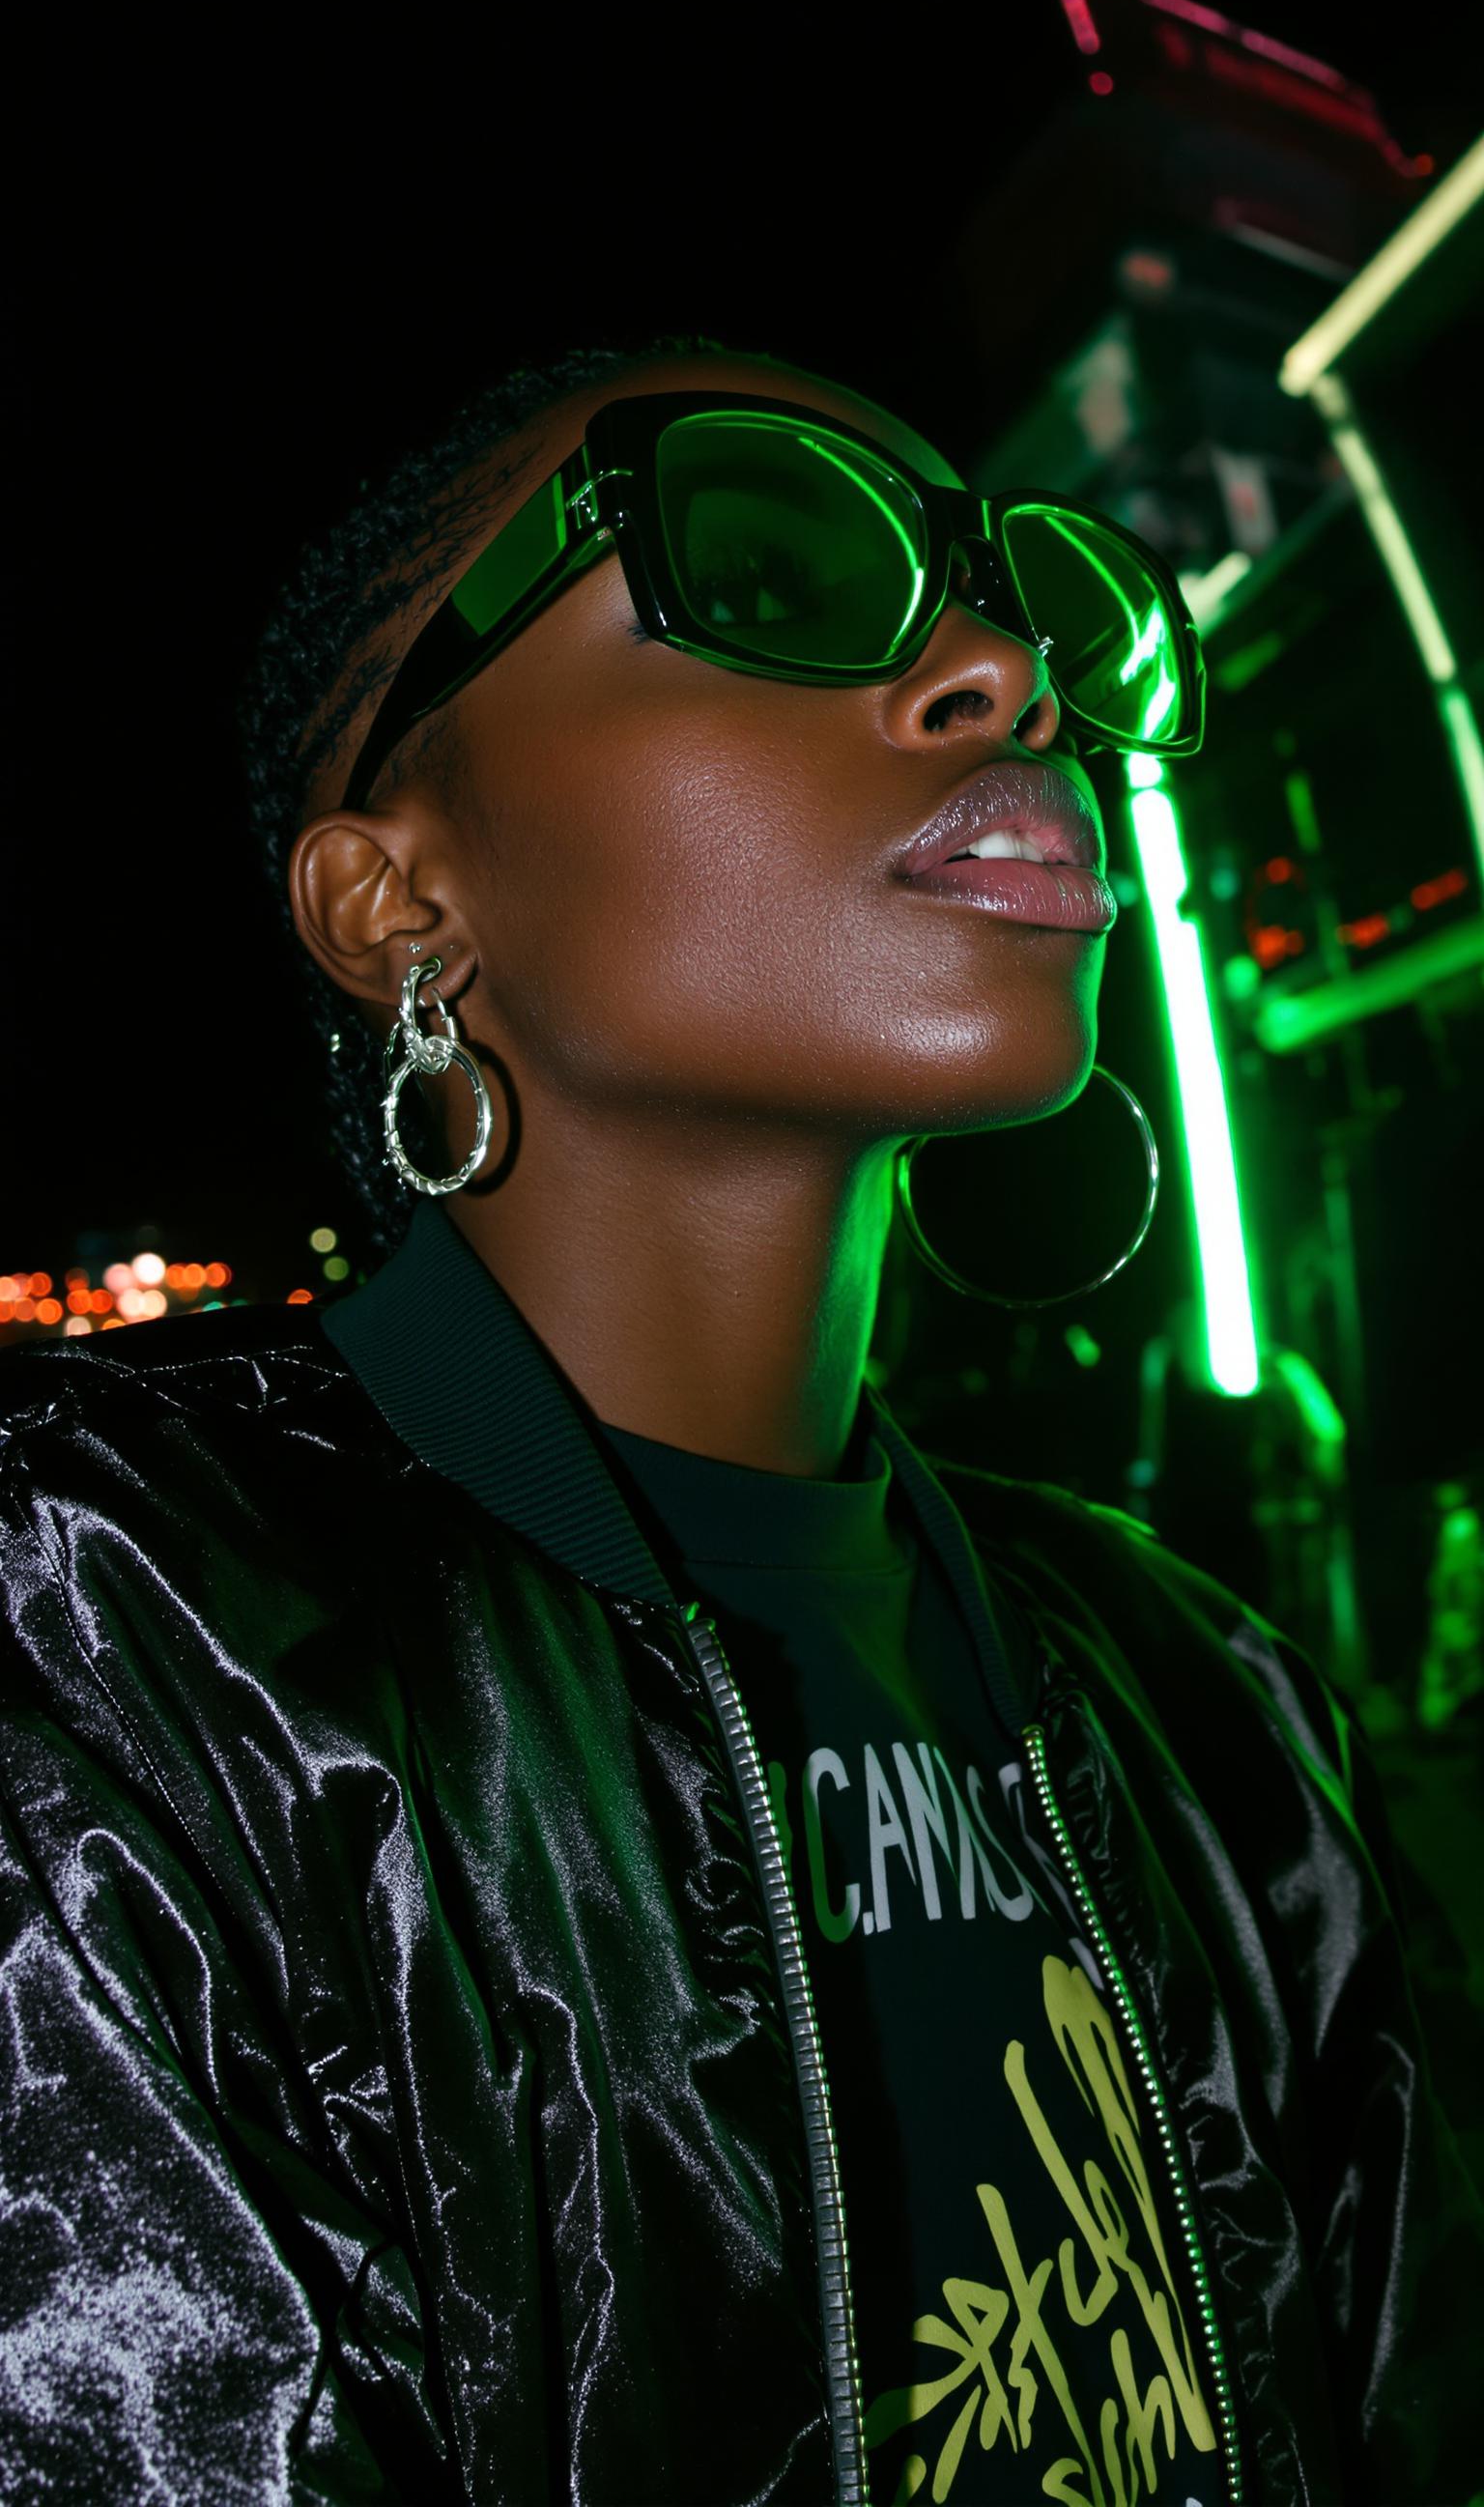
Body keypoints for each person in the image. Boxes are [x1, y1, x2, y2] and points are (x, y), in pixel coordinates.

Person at [2, 333, 1478, 2507]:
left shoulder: (1211, 1695)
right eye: (775, 562)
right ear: (397, 894)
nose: (1004, 670)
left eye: (1042, 609)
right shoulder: (116, 1633)